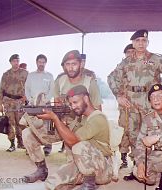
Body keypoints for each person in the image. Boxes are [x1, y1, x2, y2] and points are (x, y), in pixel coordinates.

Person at [22, 50, 102, 183]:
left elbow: (98, 111)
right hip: (61, 125)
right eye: (68, 64)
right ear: (64, 66)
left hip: (82, 128)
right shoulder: (60, 80)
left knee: (74, 161)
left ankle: (85, 177)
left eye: (74, 64)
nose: (71, 67)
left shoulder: (90, 82)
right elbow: (57, 102)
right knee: (27, 134)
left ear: (80, 64)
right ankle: (41, 170)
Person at [108, 29, 162, 180]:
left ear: (147, 42)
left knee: (153, 134)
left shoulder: (156, 59)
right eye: (137, 41)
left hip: (150, 103)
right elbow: (112, 77)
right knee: (133, 136)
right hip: (131, 104)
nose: (140, 44)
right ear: (133, 43)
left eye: (143, 41)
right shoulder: (127, 61)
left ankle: (156, 168)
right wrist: (119, 95)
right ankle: (137, 167)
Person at [40, 85, 113, 190]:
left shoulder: (98, 118)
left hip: (103, 168)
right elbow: (66, 136)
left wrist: (55, 119)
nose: (73, 107)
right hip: (82, 166)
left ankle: (89, 186)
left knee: (78, 146)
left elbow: (73, 141)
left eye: (75, 102)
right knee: (51, 184)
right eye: (71, 104)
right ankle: (82, 180)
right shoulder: (81, 118)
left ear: (86, 99)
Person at [107, 43, 135, 169]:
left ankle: (137, 160)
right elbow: (110, 78)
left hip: (140, 106)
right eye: (128, 52)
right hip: (124, 107)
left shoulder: (141, 66)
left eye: (132, 51)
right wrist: (118, 95)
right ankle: (123, 158)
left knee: (137, 132)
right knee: (123, 131)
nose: (130, 54)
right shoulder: (121, 68)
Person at [0, 54, 28, 152]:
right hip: (8, 101)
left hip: (20, 101)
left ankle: (21, 142)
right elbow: (1, 89)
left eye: (17, 61)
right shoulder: (6, 74)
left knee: (21, 123)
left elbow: (30, 86)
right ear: (10, 62)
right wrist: (0, 104)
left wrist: (27, 97)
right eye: (14, 61)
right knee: (10, 123)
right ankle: (12, 144)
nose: (16, 63)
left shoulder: (25, 73)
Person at [24, 54, 54, 155]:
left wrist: (45, 100)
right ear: (36, 62)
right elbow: (27, 89)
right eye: (39, 62)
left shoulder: (49, 76)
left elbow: (52, 90)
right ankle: (31, 147)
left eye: (43, 62)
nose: (41, 64)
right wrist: (30, 100)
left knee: (47, 126)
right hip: (33, 105)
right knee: (32, 125)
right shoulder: (31, 75)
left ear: (46, 63)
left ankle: (47, 147)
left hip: (45, 105)